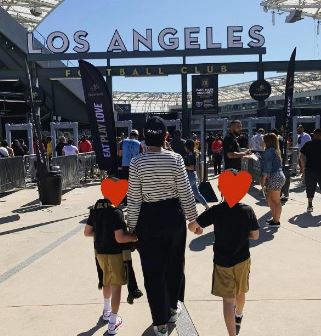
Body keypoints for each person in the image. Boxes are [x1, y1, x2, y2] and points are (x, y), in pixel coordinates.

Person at [127, 117, 198, 336]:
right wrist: (193, 218)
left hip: (148, 218)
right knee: (175, 264)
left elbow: (134, 198)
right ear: (165, 136)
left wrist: (131, 227)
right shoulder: (176, 159)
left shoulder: (137, 162)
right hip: (173, 216)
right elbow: (185, 191)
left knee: (152, 270)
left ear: (144, 138)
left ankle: (159, 322)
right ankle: (172, 308)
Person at [188, 176, 260, 336]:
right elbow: (255, 235)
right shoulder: (247, 210)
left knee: (228, 300)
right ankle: (239, 315)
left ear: (221, 189)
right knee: (241, 290)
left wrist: (197, 230)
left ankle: (232, 334)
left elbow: (192, 226)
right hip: (242, 258)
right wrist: (243, 234)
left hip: (222, 261)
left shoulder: (216, 210)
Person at [84, 197, 139, 335]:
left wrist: (102, 233)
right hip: (115, 254)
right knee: (116, 286)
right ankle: (113, 323)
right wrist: (135, 237)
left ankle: (106, 312)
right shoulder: (116, 212)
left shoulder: (95, 211)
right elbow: (120, 238)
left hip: (100, 253)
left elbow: (87, 232)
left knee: (106, 281)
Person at [260, 133, 286, 227]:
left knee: (275, 200)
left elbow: (267, 168)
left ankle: (276, 221)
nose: (262, 142)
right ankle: (275, 219)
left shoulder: (268, 152)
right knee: (271, 199)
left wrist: (263, 180)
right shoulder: (275, 150)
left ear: (267, 141)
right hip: (278, 176)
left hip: (274, 177)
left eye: (263, 140)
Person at [300, 128, 321, 212]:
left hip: (309, 169)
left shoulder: (308, 144)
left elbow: (301, 157)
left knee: (310, 188)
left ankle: (310, 205)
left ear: (314, 134)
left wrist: (303, 168)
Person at [184, 139, 209, 210]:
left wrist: (183, 165)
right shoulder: (192, 153)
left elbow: (192, 167)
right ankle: (207, 207)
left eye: (185, 146)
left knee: (185, 194)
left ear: (187, 146)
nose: (184, 148)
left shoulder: (190, 155)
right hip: (193, 176)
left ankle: (187, 211)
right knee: (197, 194)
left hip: (189, 175)